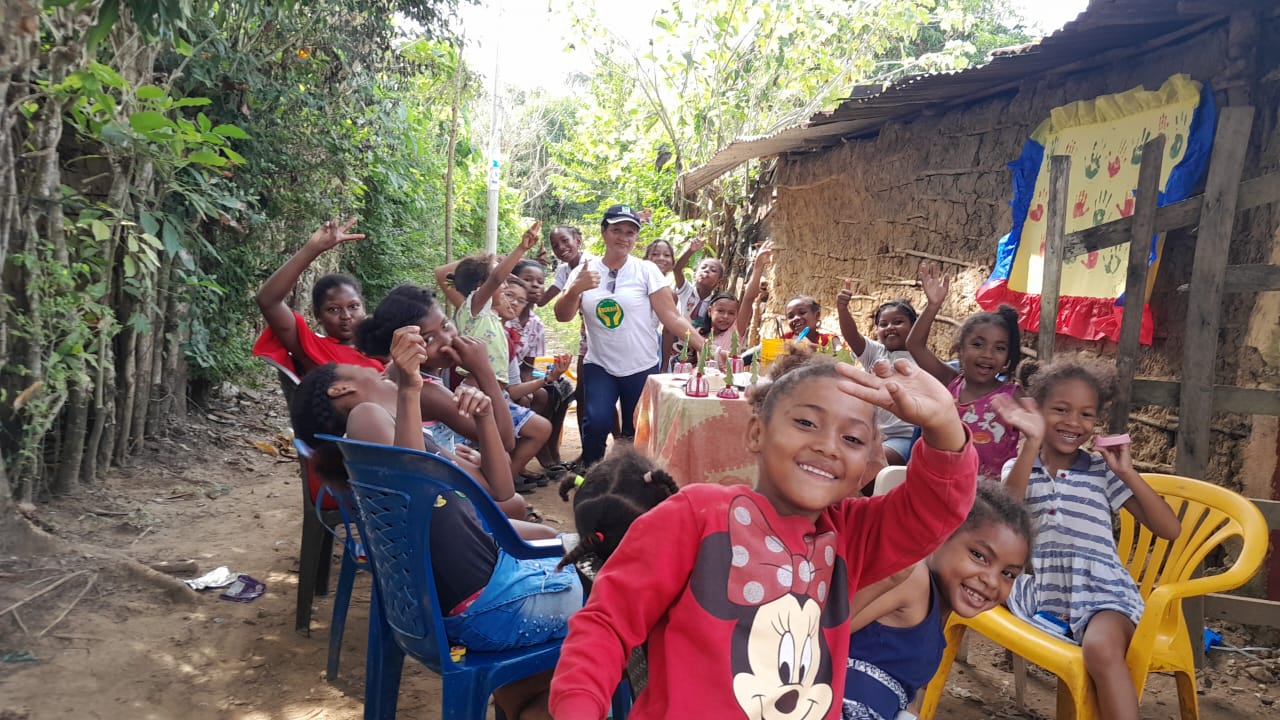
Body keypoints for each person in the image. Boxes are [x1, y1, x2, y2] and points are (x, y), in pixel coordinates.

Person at [548, 348, 979, 719]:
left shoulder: (850, 537)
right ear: (757, 432)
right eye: (807, 423)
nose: (828, 445)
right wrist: (578, 706)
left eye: (851, 438)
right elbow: (607, 624)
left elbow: (935, 509)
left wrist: (944, 425)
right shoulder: (695, 517)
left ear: (868, 465)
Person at [292, 327, 578, 720]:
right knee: (622, 593)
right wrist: (409, 388)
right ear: (340, 390)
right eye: (366, 371)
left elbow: (500, 487)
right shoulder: (365, 417)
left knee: (573, 549)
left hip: (481, 600)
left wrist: (483, 421)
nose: (378, 370)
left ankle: (527, 703)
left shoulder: (398, 439)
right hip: (493, 608)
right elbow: (416, 486)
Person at [993, 353, 1180, 720]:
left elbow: (1169, 529)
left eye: (1086, 414)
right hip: (1048, 591)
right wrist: (1030, 445)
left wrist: (1127, 473)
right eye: (1060, 410)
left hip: (1103, 593)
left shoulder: (1101, 470)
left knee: (1100, 649)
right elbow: (1004, 519)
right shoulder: (1018, 469)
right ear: (1038, 411)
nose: (1073, 422)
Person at [841, 484, 1032, 720]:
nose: (992, 581)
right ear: (939, 537)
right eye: (979, 556)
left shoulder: (938, 611)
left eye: (1008, 574)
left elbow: (897, 687)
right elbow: (823, 635)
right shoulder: (911, 579)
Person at [355, 284, 552, 494]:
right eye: (429, 339)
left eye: (446, 325)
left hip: (438, 466)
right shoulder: (426, 391)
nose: (447, 339)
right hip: (438, 491)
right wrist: (483, 370)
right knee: (513, 501)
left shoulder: (399, 370)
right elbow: (506, 439)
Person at [553, 204, 707, 467]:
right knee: (596, 423)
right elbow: (562, 315)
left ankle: (629, 484)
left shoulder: (646, 270)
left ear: (636, 238)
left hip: (640, 365)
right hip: (600, 363)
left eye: (630, 232)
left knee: (636, 429)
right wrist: (573, 291)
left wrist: (704, 346)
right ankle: (590, 480)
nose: (624, 237)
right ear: (604, 232)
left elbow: (671, 316)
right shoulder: (584, 271)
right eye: (617, 230)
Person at [905, 262, 1021, 482]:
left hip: (989, 497)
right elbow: (915, 345)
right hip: (943, 486)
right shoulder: (950, 381)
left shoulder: (1013, 396)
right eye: (978, 344)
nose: (988, 354)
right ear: (960, 349)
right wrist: (933, 306)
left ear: (1007, 358)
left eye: (999, 348)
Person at [253, 217, 384, 374]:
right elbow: (268, 301)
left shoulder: (386, 349)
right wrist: (312, 249)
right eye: (334, 310)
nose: (346, 316)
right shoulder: (311, 347)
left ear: (364, 307)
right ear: (318, 315)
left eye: (354, 306)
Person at [838, 285, 920, 466]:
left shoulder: (921, 358)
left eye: (898, 322)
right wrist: (843, 309)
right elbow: (852, 336)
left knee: (868, 463)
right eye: (883, 324)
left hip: (902, 438)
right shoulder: (876, 353)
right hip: (869, 434)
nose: (890, 327)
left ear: (914, 326)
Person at [513, 260, 575, 469]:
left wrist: (529, 387)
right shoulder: (502, 316)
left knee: (558, 390)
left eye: (540, 282)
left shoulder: (536, 324)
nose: (535, 285)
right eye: (527, 280)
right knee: (535, 397)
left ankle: (546, 449)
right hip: (495, 378)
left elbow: (528, 367)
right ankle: (526, 457)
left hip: (517, 377)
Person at [672, 235, 724, 332]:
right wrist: (690, 251)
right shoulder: (686, 290)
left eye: (713, 270)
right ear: (695, 274)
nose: (707, 270)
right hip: (675, 339)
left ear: (719, 282)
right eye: (703, 267)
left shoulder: (715, 303)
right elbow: (677, 269)